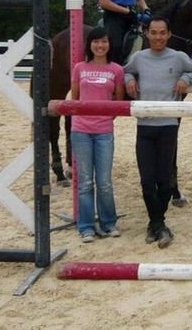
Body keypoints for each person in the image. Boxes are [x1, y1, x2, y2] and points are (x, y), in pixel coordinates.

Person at [123, 17, 192, 248]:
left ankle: (155, 224)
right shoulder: (138, 58)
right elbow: (125, 72)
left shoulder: (178, 57)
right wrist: (129, 79)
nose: (158, 37)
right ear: (147, 34)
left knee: (165, 182)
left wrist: (185, 78)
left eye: (162, 33)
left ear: (169, 35)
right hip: (144, 126)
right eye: (154, 33)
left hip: (168, 126)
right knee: (147, 181)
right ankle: (159, 225)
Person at [69, 26, 125, 243]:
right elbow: (75, 97)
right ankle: (86, 227)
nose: (100, 46)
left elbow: (117, 102)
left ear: (109, 45)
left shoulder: (116, 70)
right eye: (96, 41)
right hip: (80, 130)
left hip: (104, 132)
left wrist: (104, 121)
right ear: (89, 44)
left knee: (104, 181)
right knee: (84, 181)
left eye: (104, 41)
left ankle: (109, 223)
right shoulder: (79, 68)